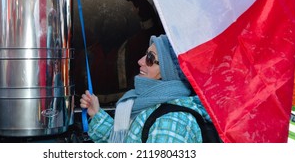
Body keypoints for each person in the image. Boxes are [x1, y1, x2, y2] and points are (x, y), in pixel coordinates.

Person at [80, 34, 212, 143]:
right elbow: (125, 141)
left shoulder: (171, 123)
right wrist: (96, 114)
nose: (140, 61)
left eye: (150, 58)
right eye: (146, 54)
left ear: (168, 71)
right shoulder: (152, 106)